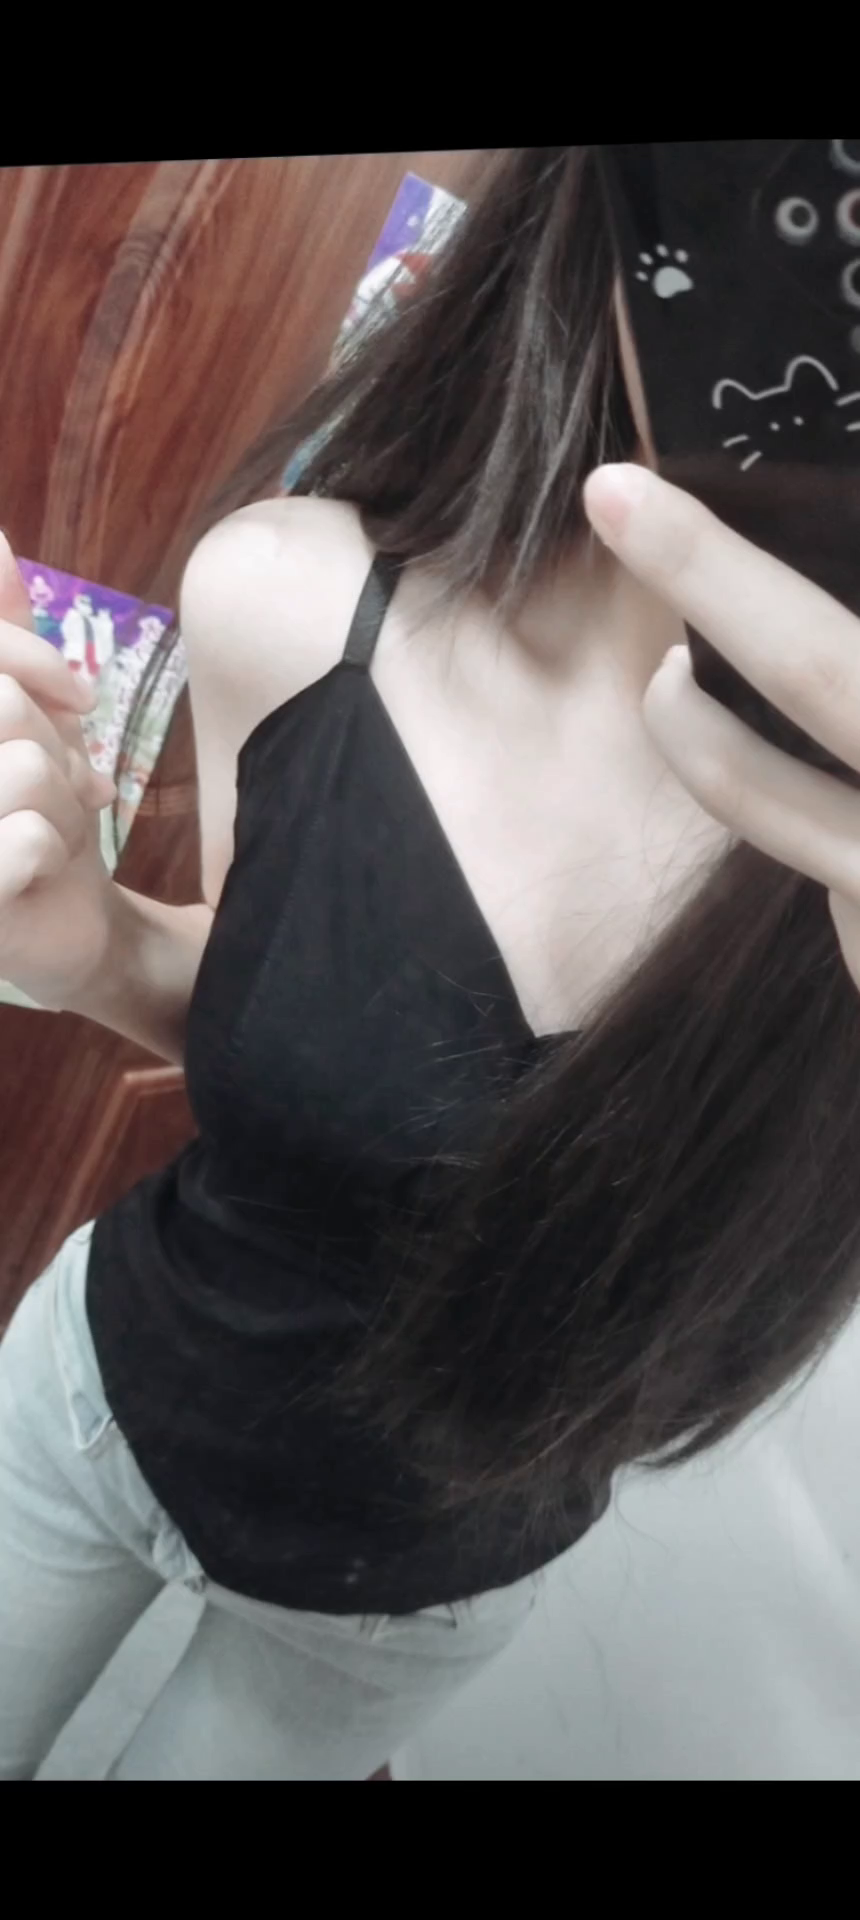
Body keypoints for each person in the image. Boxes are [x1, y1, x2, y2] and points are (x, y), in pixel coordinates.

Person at [2, 145, 860, 1782]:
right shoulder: (290, 597)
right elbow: (280, 1014)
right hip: (94, 1395)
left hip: (404, 1601)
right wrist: (88, 945)